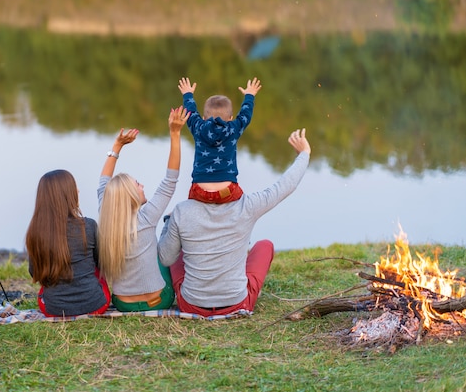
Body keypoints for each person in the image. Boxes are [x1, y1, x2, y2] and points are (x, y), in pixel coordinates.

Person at [158, 128, 311, 317]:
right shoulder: (247, 205)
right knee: (265, 246)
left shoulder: (182, 210)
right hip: (238, 304)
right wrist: (304, 154)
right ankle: (241, 284)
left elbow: (165, 258)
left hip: (191, 305)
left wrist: (169, 221)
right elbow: (285, 185)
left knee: (175, 250)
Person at [97, 106, 189, 311]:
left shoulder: (107, 214)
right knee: (165, 254)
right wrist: (175, 134)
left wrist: (117, 146)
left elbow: (104, 184)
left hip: (122, 304)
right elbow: (170, 180)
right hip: (159, 300)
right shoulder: (147, 218)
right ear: (131, 196)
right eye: (137, 185)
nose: (142, 186)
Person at [26, 169, 111, 317]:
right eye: (74, 187)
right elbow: (101, 264)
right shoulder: (89, 226)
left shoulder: (35, 232)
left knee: (48, 274)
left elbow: (35, 273)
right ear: (66, 194)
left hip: (54, 310)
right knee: (93, 267)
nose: (77, 190)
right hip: (96, 305)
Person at [179, 76, 261, 204]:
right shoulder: (234, 129)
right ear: (231, 118)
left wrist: (187, 94)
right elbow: (246, 115)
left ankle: (177, 213)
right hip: (227, 191)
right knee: (243, 204)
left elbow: (190, 113)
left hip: (199, 190)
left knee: (189, 205)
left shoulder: (198, 127)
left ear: (204, 117)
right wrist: (249, 95)